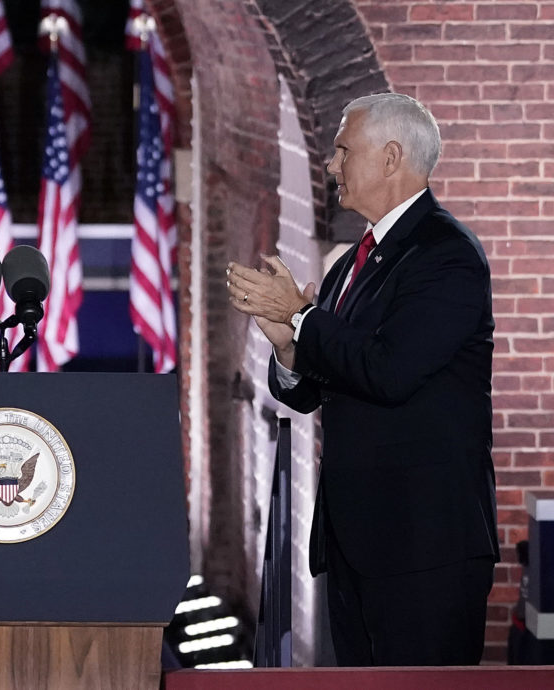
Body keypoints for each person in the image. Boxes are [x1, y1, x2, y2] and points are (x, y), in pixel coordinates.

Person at [226, 93, 498, 666]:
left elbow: (389, 371)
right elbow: (317, 387)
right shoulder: (354, 261)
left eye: (342, 150)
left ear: (392, 157)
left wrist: (303, 316)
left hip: (425, 545)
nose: (330, 165)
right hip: (355, 541)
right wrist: (288, 348)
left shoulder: (446, 255)